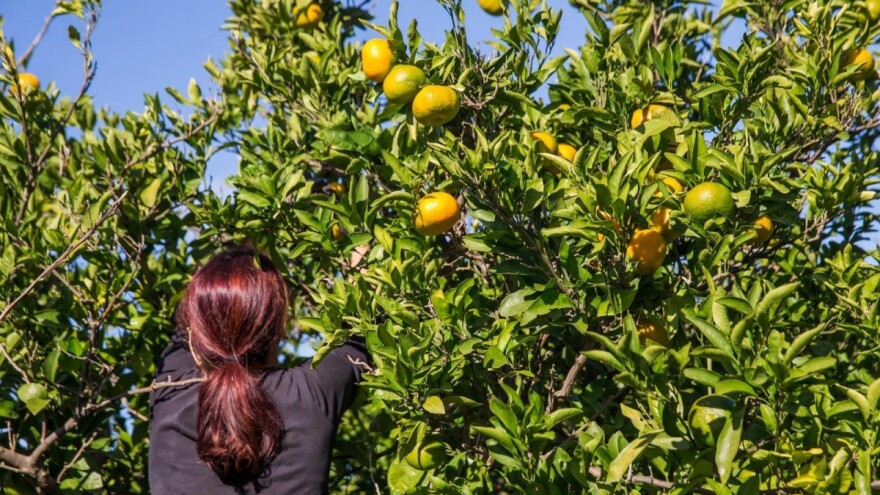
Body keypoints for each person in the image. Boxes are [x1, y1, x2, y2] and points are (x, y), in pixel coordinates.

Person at [149, 248, 369, 494]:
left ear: (195, 337)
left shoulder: (168, 393)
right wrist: (359, 265)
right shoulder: (312, 393)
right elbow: (363, 331)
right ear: (281, 328)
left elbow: (184, 329)